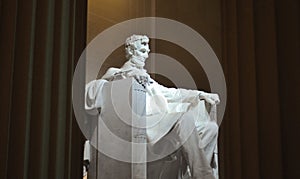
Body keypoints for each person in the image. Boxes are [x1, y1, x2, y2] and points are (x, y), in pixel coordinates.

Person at [85, 35, 220, 179]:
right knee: (184, 117)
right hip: (141, 123)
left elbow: (173, 93)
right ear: (130, 51)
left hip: (162, 123)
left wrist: (200, 95)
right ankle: (204, 175)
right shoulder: (116, 73)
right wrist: (125, 76)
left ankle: (191, 173)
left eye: (147, 50)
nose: (147, 53)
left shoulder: (148, 79)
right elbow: (92, 91)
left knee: (210, 128)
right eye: (143, 50)